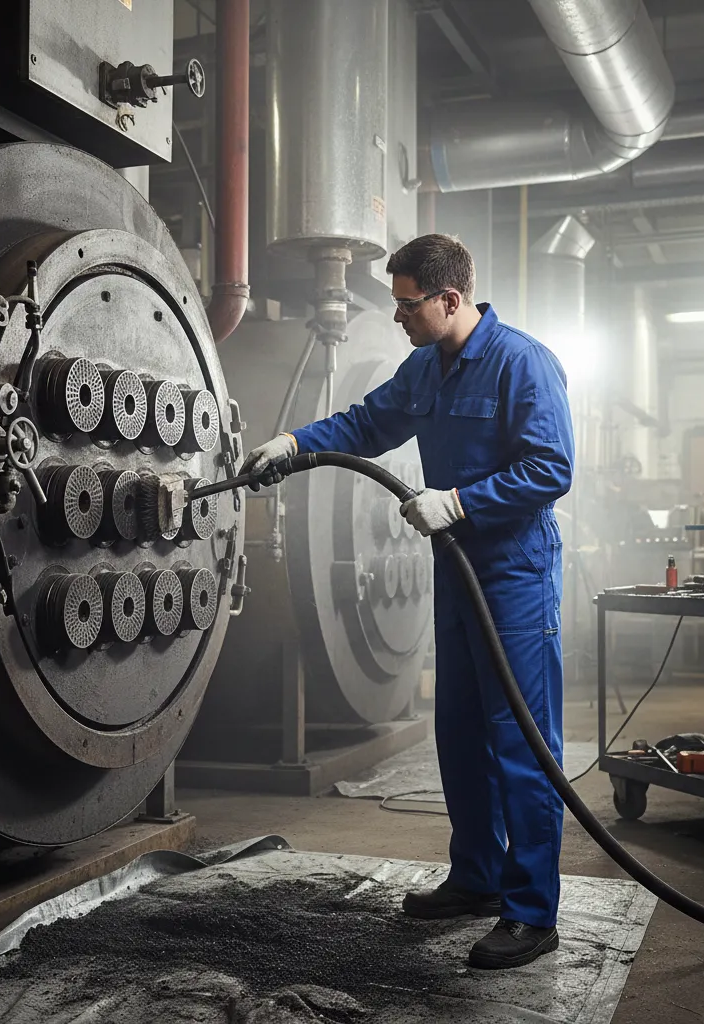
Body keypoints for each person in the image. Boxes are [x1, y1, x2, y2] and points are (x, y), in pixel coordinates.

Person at [241, 233, 573, 971]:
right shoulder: (425, 367)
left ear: (449, 300)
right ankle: (478, 877)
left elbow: (553, 467)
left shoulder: (523, 362)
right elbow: (366, 425)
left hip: (513, 573)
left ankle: (532, 911)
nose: (397, 318)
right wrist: (294, 442)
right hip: (455, 572)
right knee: (457, 730)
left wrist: (459, 502)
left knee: (520, 740)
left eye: (406, 304)